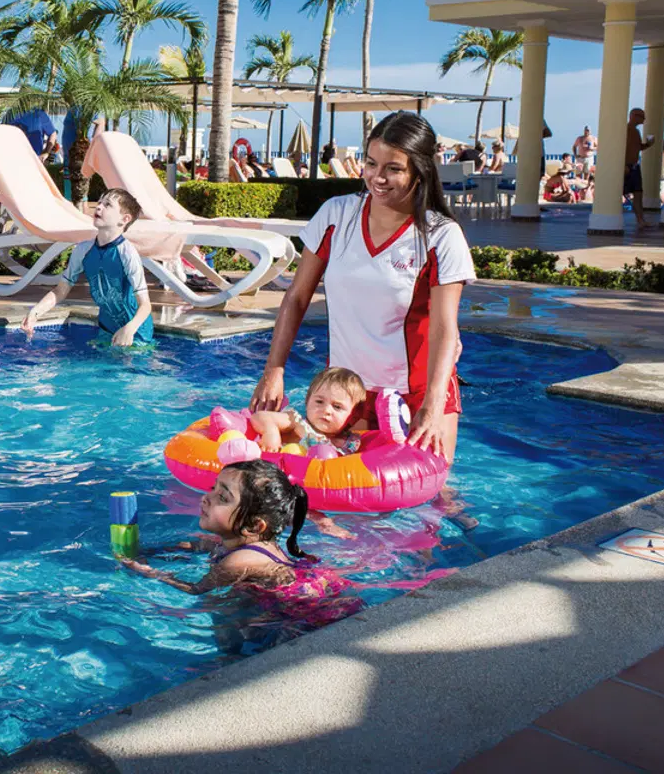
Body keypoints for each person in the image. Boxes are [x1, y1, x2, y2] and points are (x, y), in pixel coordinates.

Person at [251, 112, 475, 462]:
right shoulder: (336, 215)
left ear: (421, 169)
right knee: (333, 496)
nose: (378, 177)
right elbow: (296, 298)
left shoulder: (441, 236)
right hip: (346, 393)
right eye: (371, 163)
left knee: (434, 502)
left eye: (394, 168)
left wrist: (431, 407)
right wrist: (273, 372)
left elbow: (445, 329)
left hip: (419, 392)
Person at [118, 462, 353, 617]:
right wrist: (156, 551)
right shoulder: (248, 543)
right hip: (306, 585)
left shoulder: (238, 562)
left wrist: (151, 572)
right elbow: (204, 545)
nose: (205, 498)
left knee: (230, 629)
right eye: (213, 488)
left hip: (302, 613)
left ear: (253, 525)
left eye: (222, 497)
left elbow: (195, 590)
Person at [20, 188, 153, 347]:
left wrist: (129, 329)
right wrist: (35, 312)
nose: (98, 207)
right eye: (99, 202)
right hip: (106, 329)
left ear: (124, 219)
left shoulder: (127, 253)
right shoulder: (83, 250)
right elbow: (61, 290)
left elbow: (145, 305)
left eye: (107, 205)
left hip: (136, 332)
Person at [235, 367, 368, 459]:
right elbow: (260, 416)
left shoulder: (350, 442)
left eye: (337, 407)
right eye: (319, 402)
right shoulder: (296, 423)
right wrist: (271, 433)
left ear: (353, 416)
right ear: (307, 401)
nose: (326, 410)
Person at [622, 107, 654, 227]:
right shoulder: (626, 130)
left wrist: (647, 145)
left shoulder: (636, 132)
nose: (644, 120)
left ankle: (640, 220)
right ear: (633, 116)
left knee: (638, 193)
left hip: (635, 166)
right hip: (627, 166)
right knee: (624, 191)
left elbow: (637, 147)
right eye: (641, 117)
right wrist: (624, 164)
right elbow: (622, 148)